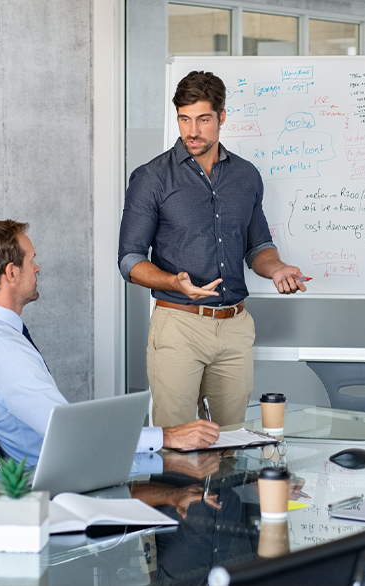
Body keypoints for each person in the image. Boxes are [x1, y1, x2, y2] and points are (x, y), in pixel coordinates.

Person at [118, 70, 307, 428]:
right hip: (178, 325)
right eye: (184, 119)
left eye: (203, 119)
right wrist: (176, 282)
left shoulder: (246, 175)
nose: (192, 131)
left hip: (234, 327)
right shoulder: (151, 178)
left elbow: (258, 247)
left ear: (221, 117)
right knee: (176, 443)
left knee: (232, 442)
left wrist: (278, 268)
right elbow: (130, 261)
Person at [0, 219, 219, 468]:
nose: (37, 268)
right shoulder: (6, 352)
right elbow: (70, 434)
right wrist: (168, 436)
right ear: (11, 272)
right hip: (62, 475)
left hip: (47, 468)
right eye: (32, 260)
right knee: (191, 472)